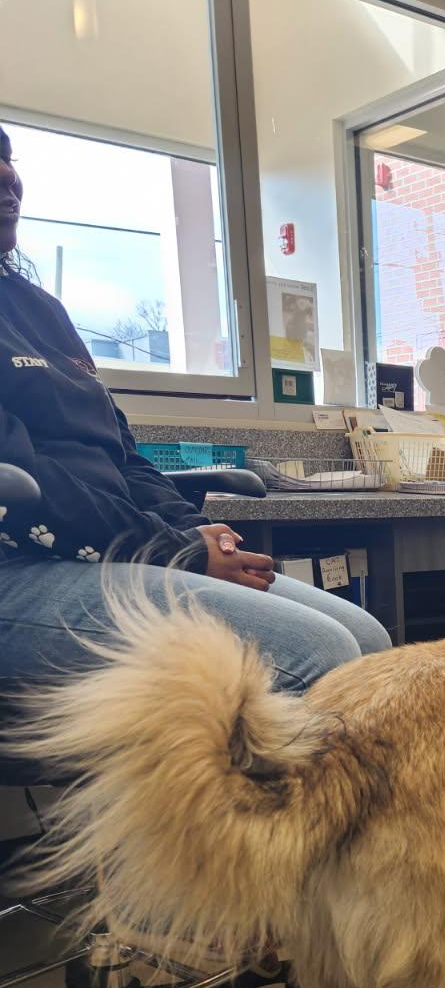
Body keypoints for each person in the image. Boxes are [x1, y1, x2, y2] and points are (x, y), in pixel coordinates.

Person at [0, 124, 390, 694]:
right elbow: (24, 482)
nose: (9, 175)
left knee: (368, 642)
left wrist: (195, 533)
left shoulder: (41, 309)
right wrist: (175, 552)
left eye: (9, 158)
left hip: (119, 555)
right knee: (318, 657)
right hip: (23, 565)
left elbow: (123, 457)